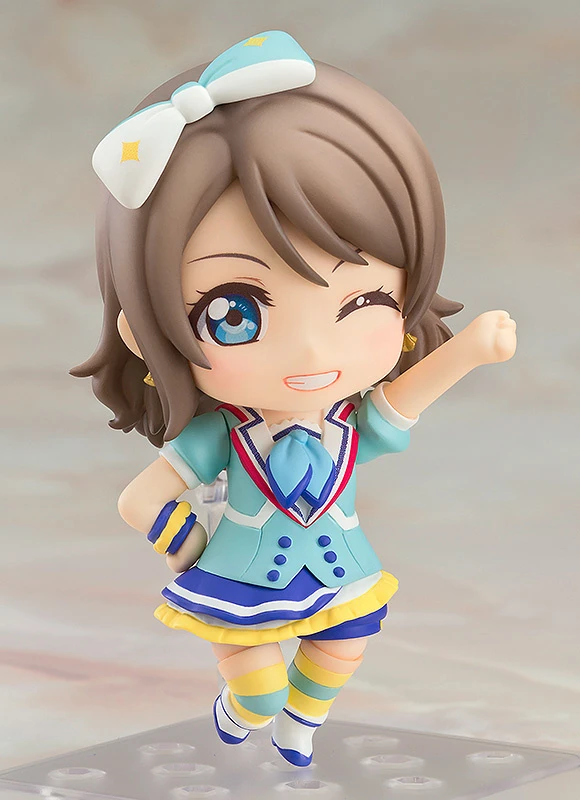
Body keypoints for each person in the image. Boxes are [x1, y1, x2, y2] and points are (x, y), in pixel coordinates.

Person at [73, 31, 517, 767]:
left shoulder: (345, 425)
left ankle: (302, 724)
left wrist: (468, 352)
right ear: (146, 331)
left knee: (343, 648)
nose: (311, 354)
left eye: (364, 300)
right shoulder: (223, 438)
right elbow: (138, 500)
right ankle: (245, 711)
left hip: (341, 571)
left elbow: (399, 406)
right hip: (238, 582)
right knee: (257, 689)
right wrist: (195, 551)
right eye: (235, 313)